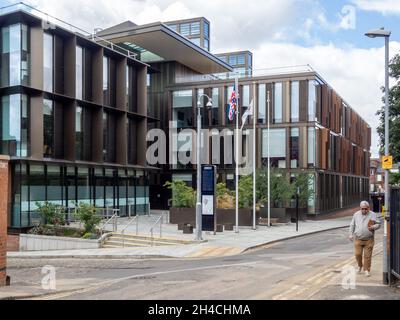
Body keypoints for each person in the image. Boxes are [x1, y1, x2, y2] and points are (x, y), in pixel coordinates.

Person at [348, 201, 381, 277]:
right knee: (357, 254)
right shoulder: (356, 214)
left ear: (368, 208)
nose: (364, 210)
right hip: (358, 239)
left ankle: (366, 270)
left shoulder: (373, 214)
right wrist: (350, 234)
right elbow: (352, 225)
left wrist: (373, 227)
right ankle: (360, 266)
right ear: (360, 208)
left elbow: (378, 224)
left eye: (366, 209)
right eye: (363, 209)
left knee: (367, 256)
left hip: (369, 239)